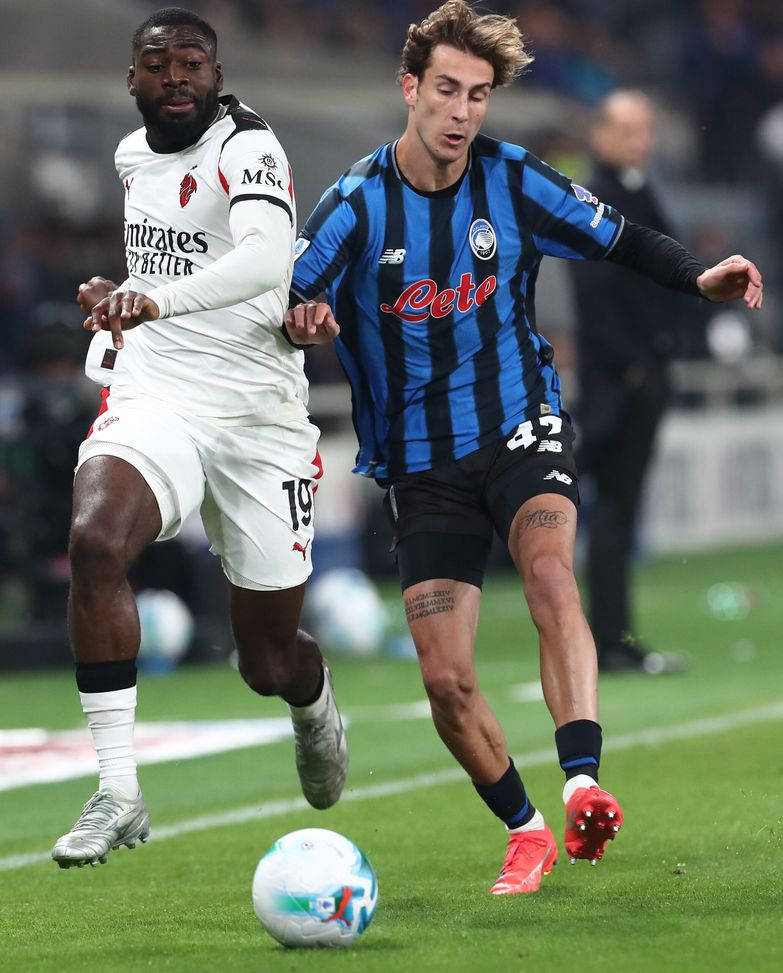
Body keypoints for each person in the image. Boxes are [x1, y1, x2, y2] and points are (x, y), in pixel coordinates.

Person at [284, 0, 762, 895]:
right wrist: (304, 319)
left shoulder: (511, 178)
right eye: (446, 90)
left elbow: (617, 236)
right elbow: (290, 300)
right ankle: (525, 826)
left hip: (520, 424)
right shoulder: (353, 202)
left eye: (477, 94)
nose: (462, 111)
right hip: (420, 464)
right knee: (445, 683)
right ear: (408, 88)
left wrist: (697, 278)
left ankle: (582, 780)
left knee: (550, 573)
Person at [50, 6, 347, 870]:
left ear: (216, 77)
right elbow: (168, 259)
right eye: (158, 63)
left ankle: (311, 696)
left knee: (264, 657)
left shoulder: (247, 148)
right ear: (131, 78)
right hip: (157, 393)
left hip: (257, 418)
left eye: (192, 63)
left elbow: (263, 260)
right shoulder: (130, 155)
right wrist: (125, 289)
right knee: (94, 540)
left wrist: (152, 298)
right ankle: (118, 790)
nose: (175, 77)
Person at [569, 90, 697, 674]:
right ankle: (609, 641)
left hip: (634, 376)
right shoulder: (596, 198)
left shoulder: (638, 189)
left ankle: (613, 637)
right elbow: (597, 297)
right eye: (628, 129)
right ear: (599, 133)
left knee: (615, 513)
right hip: (615, 384)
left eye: (645, 128)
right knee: (609, 513)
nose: (639, 140)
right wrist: (635, 367)